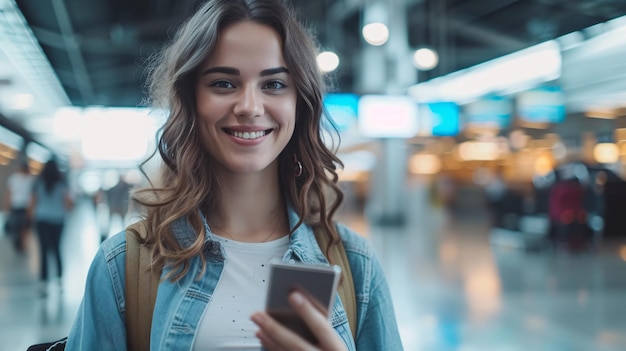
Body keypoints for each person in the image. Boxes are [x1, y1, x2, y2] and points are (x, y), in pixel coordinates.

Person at [66, 0, 403, 350]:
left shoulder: (355, 266)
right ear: (190, 100)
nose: (249, 107)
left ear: (299, 103)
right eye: (224, 83)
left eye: (273, 85)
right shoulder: (123, 265)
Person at [30, 159, 74, 293]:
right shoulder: (62, 183)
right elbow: (68, 204)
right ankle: (59, 280)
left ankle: (43, 282)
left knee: (43, 250)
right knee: (56, 249)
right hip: (58, 220)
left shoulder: (38, 183)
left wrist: (29, 219)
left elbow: (33, 202)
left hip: (41, 219)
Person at [3, 160, 35, 253]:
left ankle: (21, 244)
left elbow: (33, 196)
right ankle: (18, 244)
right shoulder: (15, 179)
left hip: (24, 207)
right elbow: (9, 193)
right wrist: (7, 206)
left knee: (23, 227)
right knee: (17, 227)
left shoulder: (30, 180)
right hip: (17, 206)